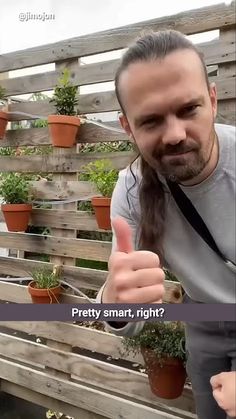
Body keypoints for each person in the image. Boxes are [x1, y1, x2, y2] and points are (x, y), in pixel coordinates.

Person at [96, 30, 236, 419]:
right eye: (152, 120)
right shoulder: (132, 189)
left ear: (211, 99)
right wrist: (117, 303)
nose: (174, 135)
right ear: (127, 127)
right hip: (201, 322)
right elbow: (130, 319)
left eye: (188, 109)